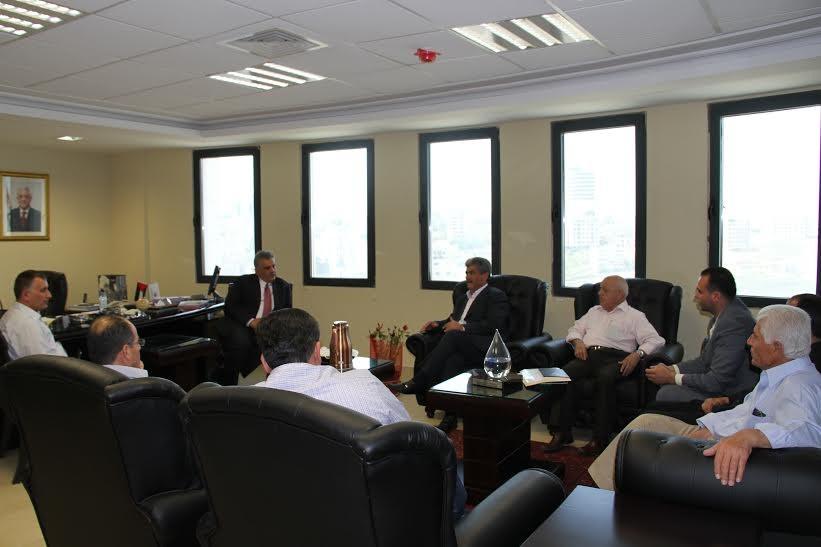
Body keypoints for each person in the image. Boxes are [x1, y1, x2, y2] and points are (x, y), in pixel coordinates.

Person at [255, 307, 467, 519]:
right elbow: (411, 436)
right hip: (381, 515)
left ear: (264, 361)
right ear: (317, 351)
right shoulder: (363, 383)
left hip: (286, 516)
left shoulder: (242, 403)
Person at [589, 304, 821, 491]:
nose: (749, 341)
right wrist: (708, 426)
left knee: (638, 440)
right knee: (645, 423)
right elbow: (746, 412)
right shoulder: (777, 375)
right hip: (718, 434)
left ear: (777, 347)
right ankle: (600, 489)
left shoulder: (799, 385)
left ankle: (600, 496)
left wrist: (750, 436)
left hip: (727, 449)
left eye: (755, 336)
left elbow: (808, 431)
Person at [544, 275, 665, 456]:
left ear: (620, 295)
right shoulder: (594, 311)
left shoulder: (635, 316)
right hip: (590, 355)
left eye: (605, 290)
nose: (600, 293)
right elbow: (575, 329)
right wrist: (578, 342)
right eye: (600, 289)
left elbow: (656, 340)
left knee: (605, 377)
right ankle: (562, 433)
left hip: (618, 358)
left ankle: (600, 439)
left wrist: (637, 354)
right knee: (564, 374)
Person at [388, 257, 510, 432]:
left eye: (472, 273)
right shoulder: (463, 297)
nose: (467, 276)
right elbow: (452, 320)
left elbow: (493, 325)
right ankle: (450, 417)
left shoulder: (495, 296)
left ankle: (419, 381)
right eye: (466, 272)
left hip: (485, 347)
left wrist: (462, 327)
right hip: (462, 345)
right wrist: (437, 324)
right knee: (452, 361)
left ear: (484, 276)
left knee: (453, 336)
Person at [646, 267, 757, 402]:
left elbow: (716, 382)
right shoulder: (726, 312)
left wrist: (672, 377)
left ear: (716, 296)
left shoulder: (734, 324)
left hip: (730, 395)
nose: (695, 296)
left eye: (699, 291)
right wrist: (672, 369)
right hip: (719, 386)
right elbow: (704, 362)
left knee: (667, 393)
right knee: (664, 386)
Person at [215, 250, 292, 385]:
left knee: (287, 341)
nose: (272, 271)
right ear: (257, 270)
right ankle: (228, 382)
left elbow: (287, 312)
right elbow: (231, 307)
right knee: (240, 341)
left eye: (273, 266)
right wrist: (251, 321)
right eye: (267, 268)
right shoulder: (243, 283)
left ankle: (278, 383)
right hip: (245, 324)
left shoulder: (283, 286)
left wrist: (273, 324)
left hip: (270, 326)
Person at [0, 270, 66, 360]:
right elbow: (42, 363)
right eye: (43, 290)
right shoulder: (28, 324)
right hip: (54, 367)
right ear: (26, 295)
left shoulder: (14, 314)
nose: (49, 295)